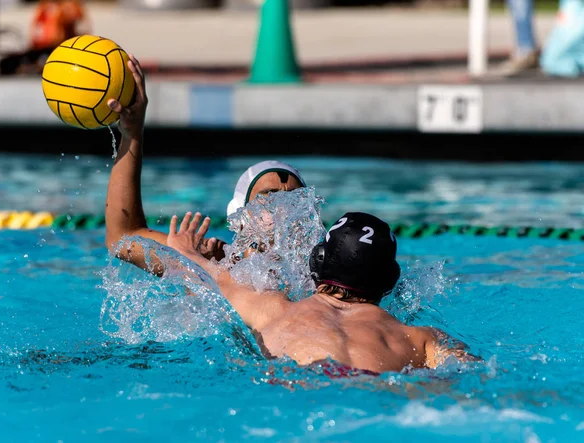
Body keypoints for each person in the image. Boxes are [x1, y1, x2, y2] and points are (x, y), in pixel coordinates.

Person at [166, 210, 481, 374]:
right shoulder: (421, 338)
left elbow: (199, 271)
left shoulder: (273, 308)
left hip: (294, 386)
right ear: (389, 281)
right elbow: (473, 373)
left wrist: (187, 250)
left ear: (317, 261)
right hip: (382, 396)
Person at [104, 55, 309, 277]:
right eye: (268, 197)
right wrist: (132, 133)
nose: (284, 209)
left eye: (295, 199)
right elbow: (122, 236)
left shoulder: (324, 275)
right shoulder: (208, 262)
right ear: (240, 217)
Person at [0, 0, 91, 76]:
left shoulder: (72, 7)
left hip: (65, 49)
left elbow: (83, 31)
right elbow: (37, 34)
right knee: (7, 63)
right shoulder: (45, 7)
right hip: (45, 49)